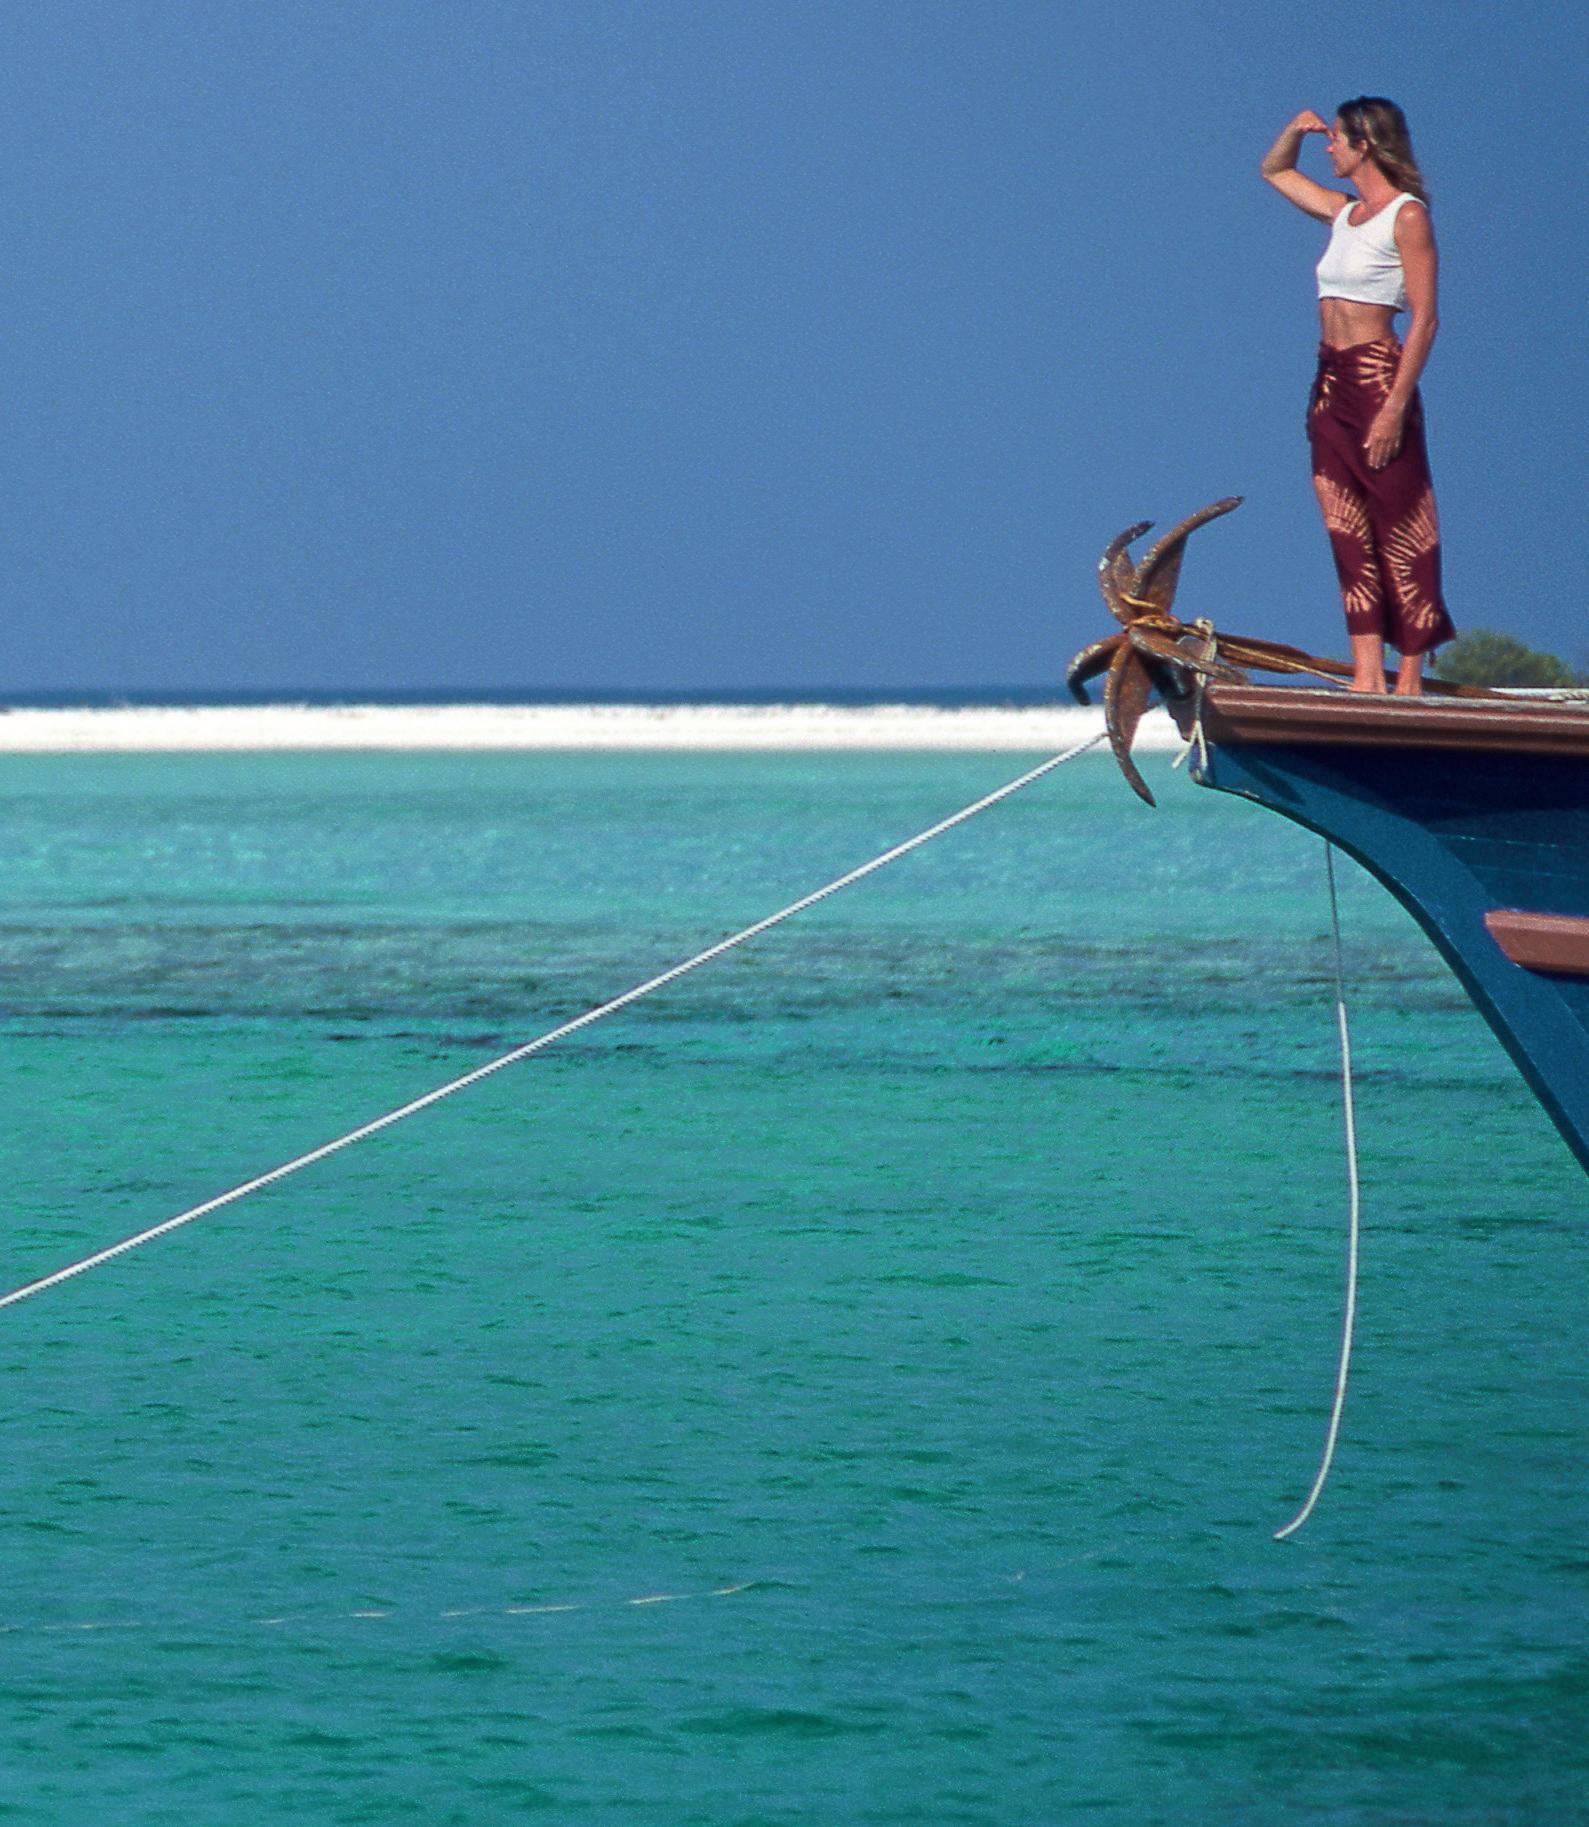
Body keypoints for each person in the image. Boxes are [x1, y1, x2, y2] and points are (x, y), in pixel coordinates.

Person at [1261, 98, 1454, 695]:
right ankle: (1367, 675)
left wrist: (1395, 405)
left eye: (1337, 139)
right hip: (1330, 383)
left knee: (1402, 521)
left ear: (1365, 144)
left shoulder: (1407, 216)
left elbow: (1425, 319)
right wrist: (1294, 129)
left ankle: (1410, 679)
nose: (1329, 148)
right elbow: (1274, 171)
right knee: (1346, 528)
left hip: (1378, 378)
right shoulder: (1343, 213)